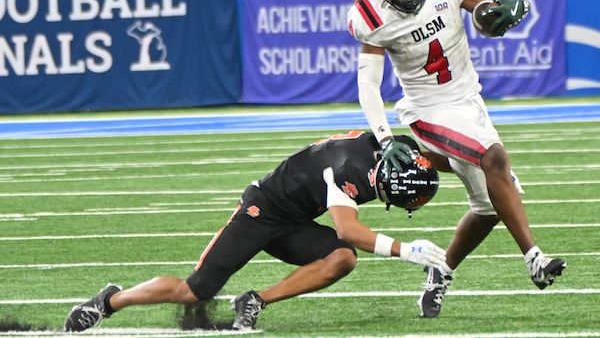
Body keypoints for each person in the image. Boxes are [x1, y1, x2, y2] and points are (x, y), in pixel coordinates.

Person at [347, 0, 566, 319]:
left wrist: (496, 15)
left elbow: (481, 15)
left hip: (468, 100)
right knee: (495, 160)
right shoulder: (371, 13)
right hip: (426, 110)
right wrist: (384, 138)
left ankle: (442, 270)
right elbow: (368, 84)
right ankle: (534, 258)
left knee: (490, 206)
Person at [64, 130, 445, 333]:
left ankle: (255, 301)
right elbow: (347, 229)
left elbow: (415, 150)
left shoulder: (395, 149)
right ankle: (109, 301)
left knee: (341, 260)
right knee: (195, 291)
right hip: (261, 211)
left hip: (295, 217)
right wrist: (405, 250)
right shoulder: (349, 171)